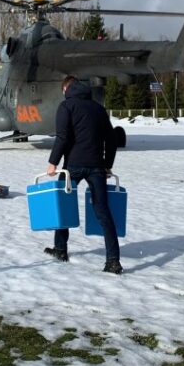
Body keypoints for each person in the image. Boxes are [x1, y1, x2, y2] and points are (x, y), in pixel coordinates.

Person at [45, 75, 122, 274]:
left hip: (72, 166)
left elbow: (62, 137)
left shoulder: (66, 106)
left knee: (63, 206)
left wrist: (53, 162)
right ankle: (113, 261)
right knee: (103, 212)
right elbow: (111, 140)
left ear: (66, 89)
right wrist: (107, 165)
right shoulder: (98, 108)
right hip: (96, 166)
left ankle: (61, 249)